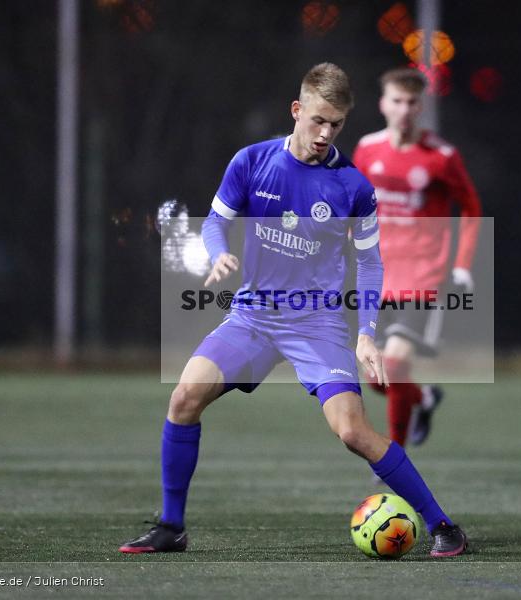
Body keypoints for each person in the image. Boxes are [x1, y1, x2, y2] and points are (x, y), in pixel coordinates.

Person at [119, 63, 468, 557]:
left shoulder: (353, 187)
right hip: (254, 316)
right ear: (297, 110)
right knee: (183, 398)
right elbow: (215, 223)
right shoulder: (251, 161)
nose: (327, 133)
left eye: (338, 124)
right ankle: (171, 527)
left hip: (318, 323)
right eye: (319, 120)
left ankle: (444, 526)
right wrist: (219, 251)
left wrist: (366, 332)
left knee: (352, 432)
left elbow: (370, 263)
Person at [352, 68, 482, 449]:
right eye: (396, 101)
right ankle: (423, 398)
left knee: (393, 365)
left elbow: (471, 206)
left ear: (421, 106)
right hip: (378, 276)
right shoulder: (368, 148)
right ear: (383, 104)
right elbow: (355, 204)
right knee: (376, 377)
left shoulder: (441, 156)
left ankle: (393, 458)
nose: (404, 110)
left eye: (411, 102)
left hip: (424, 277)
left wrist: (462, 263)